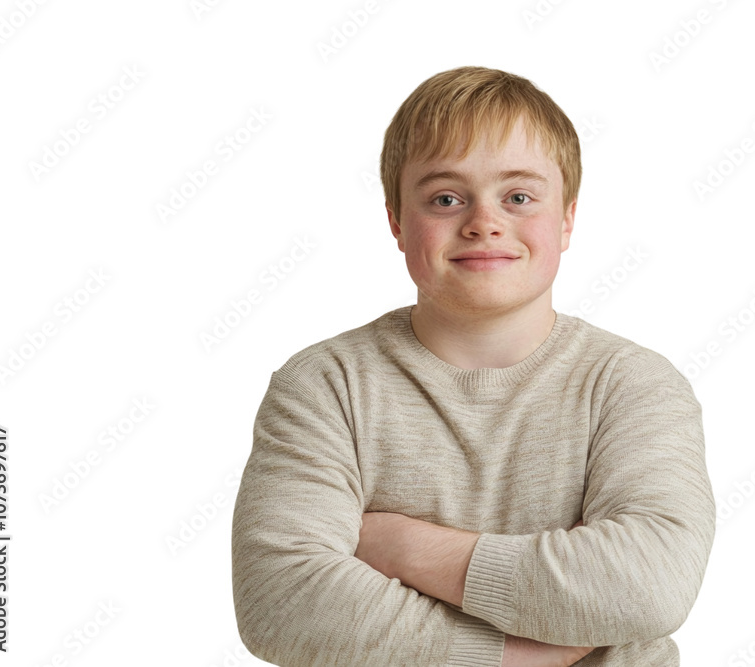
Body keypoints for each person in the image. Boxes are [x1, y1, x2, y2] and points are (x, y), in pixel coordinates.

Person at [231, 65, 715, 666]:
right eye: (445, 198)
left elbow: (650, 584)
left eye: (518, 197)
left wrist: (403, 546)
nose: (484, 222)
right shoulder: (325, 387)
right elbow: (280, 602)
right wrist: (515, 656)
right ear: (396, 222)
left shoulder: (634, 385)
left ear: (566, 219)